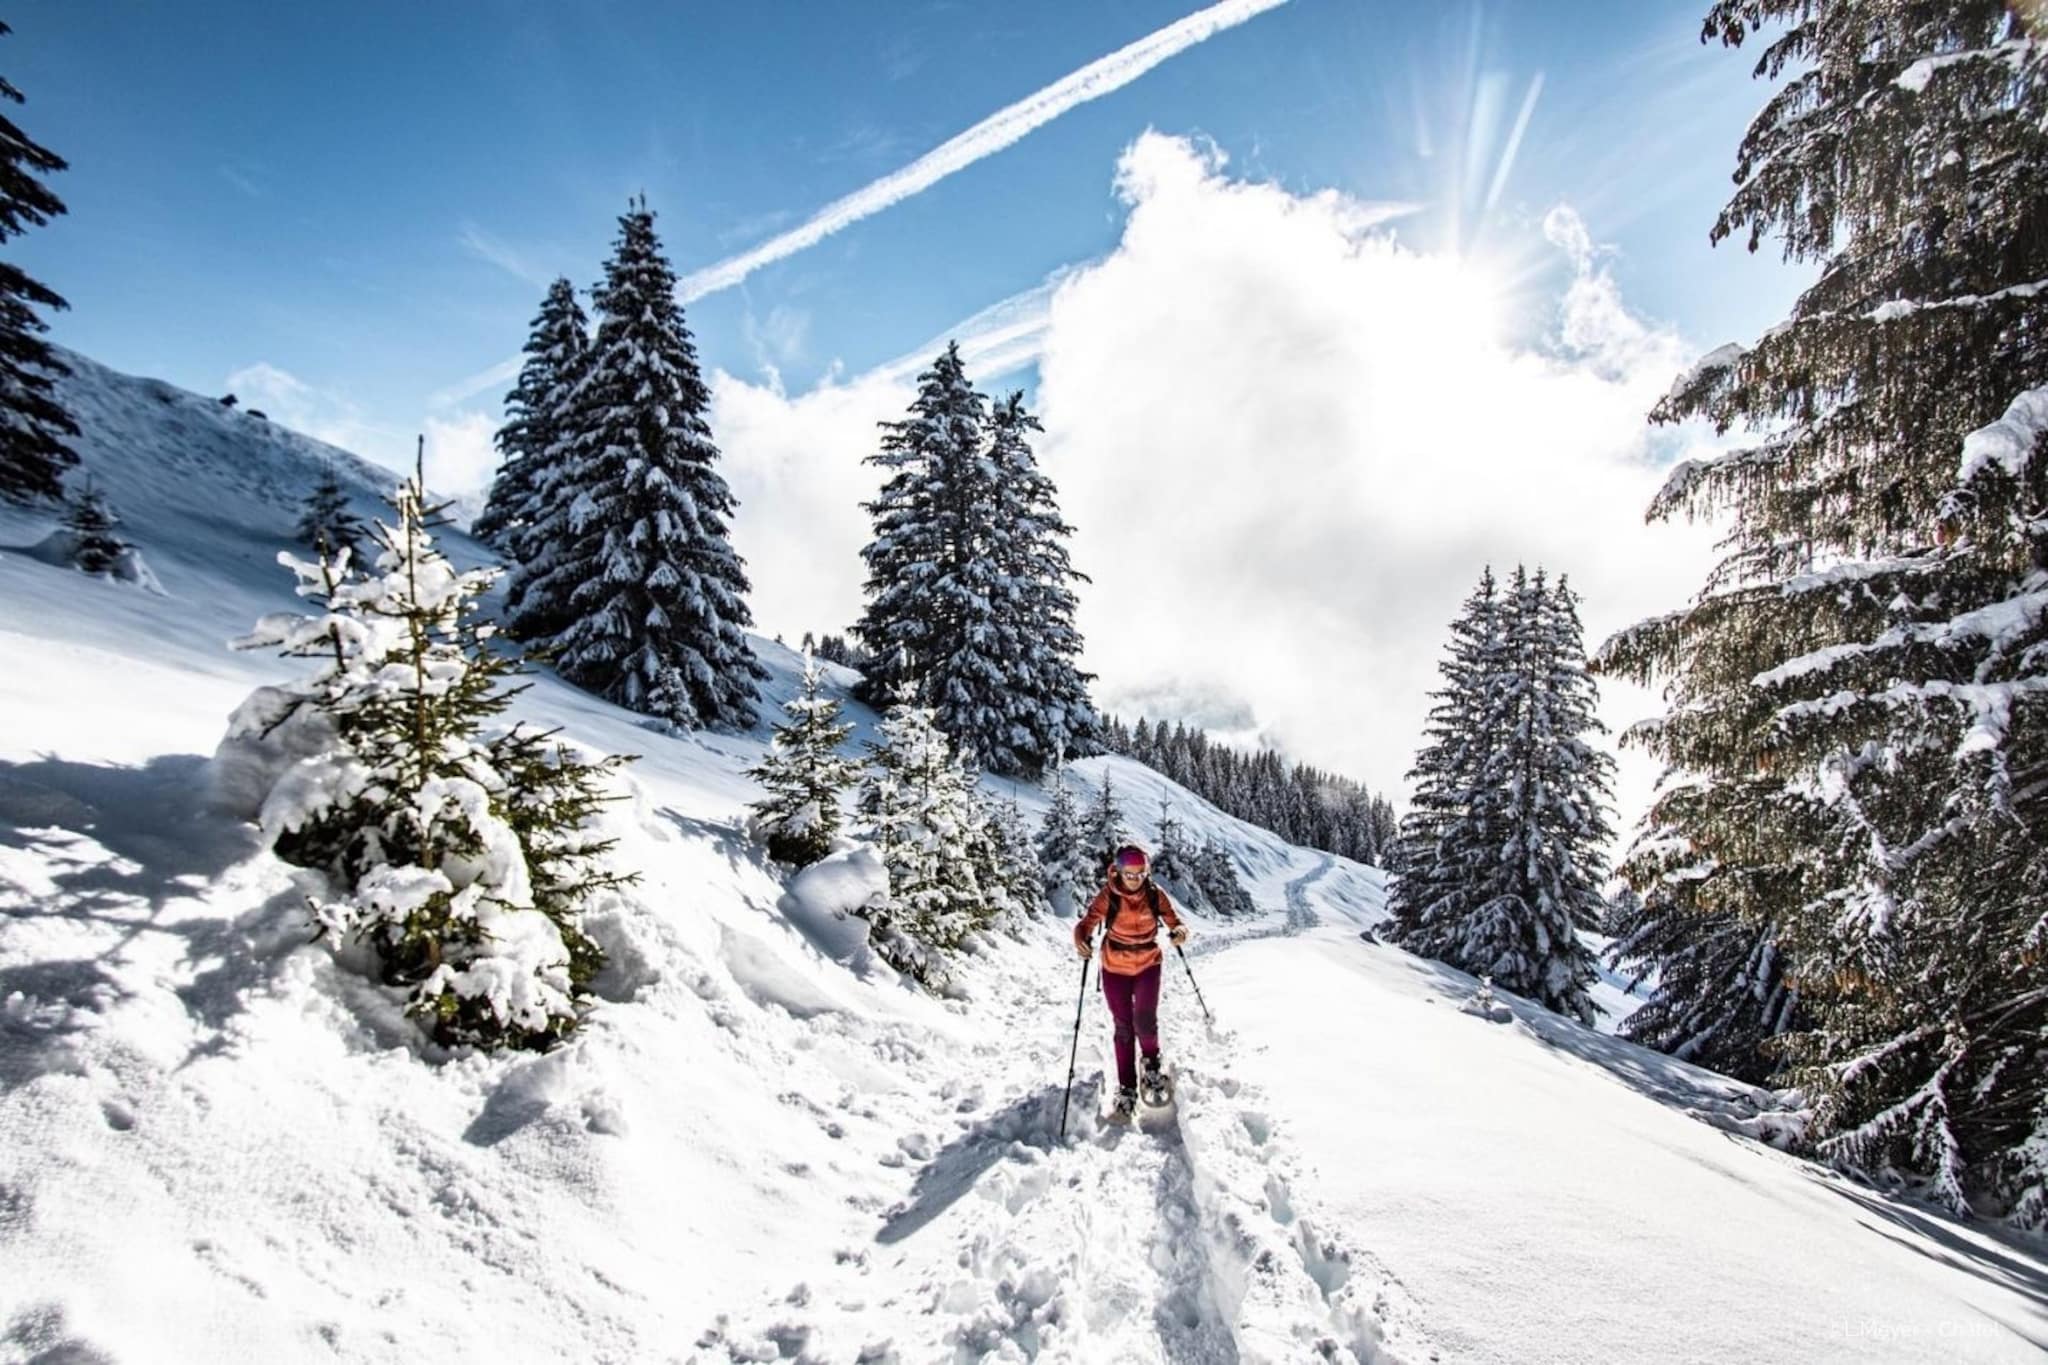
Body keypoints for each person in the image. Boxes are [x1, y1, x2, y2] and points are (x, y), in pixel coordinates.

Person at [1073, 843, 1190, 1123]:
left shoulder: (1154, 894)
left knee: (1146, 1021)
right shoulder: (1109, 895)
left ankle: (1151, 1064)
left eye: (1140, 873)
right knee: (1123, 1027)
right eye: (1130, 873)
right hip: (1115, 967)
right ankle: (1127, 1087)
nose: (1135, 879)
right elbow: (1086, 923)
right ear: (1119, 871)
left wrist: (1180, 932)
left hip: (1148, 963)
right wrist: (1081, 939)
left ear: (1146, 872)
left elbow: (1175, 921)